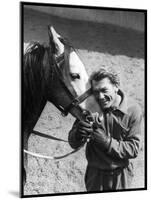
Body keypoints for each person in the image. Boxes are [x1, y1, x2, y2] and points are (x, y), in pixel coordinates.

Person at [68, 68, 143, 192]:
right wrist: (77, 134)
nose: (100, 97)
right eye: (96, 91)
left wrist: (107, 142)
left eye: (104, 90)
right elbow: (73, 143)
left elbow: (133, 149)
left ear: (116, 86)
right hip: (95, 175)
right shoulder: (89, 106)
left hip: (120, 176)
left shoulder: (133, 110)